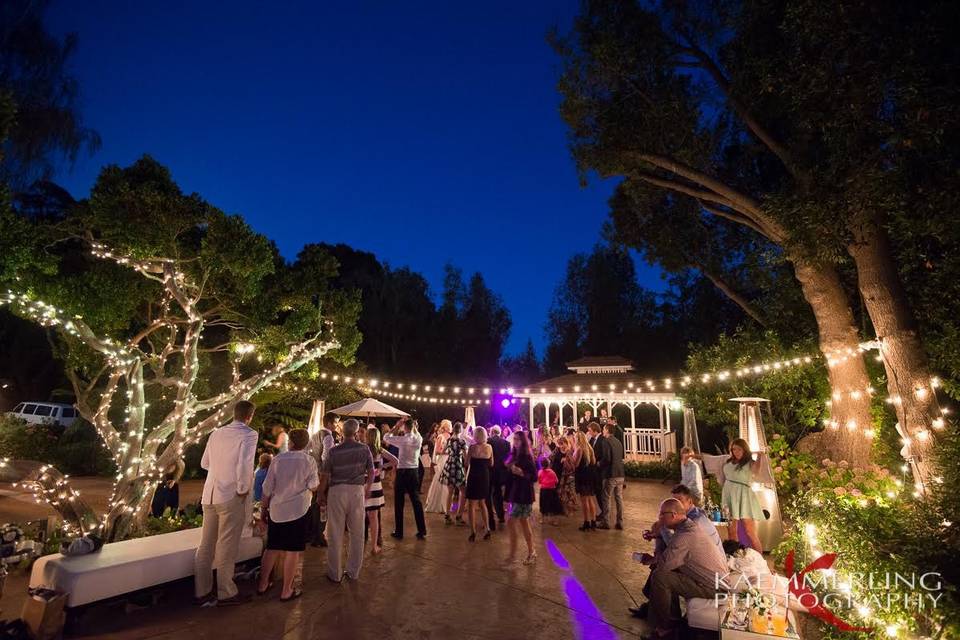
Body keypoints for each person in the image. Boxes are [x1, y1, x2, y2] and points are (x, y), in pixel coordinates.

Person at [194, 400, 258, 606]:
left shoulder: (216, 433)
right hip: (230, 495)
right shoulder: (249, 434)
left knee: (205, 545)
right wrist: (242, 489)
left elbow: (204, 463)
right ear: (250, 416)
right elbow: (245, 465)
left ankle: (201, 591)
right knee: (226, 546)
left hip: (209, 494)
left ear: (234, 413)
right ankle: (226, 592)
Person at [634, 498, 727, 638]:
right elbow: (671, 556)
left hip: (714, 587)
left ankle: (665, 628)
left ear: (673, 515)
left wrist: (652, 559)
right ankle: (669, 620)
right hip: (709, 581)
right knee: (663, 573)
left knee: (660, 576)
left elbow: (666, 563)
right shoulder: (685, 527)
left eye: (662, 515)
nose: (659, 518)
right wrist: (654, 557)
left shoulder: (686, 534)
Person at [256, 429, 318, 601]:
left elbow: (266, 489)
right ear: (305, 444)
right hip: (298, 510)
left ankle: (262, 584)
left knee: (272, 548)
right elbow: (314, 486)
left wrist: (263, 512)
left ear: (290, 442)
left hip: (277, 510)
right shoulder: (309, 461)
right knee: (292, 551)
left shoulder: (277, 460)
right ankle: (286, 590)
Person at [317, 419, 374, 582]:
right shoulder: (364, 449)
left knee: (335, 532)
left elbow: (325, 476)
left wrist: (320, 494)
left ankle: (334, 573)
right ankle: (353, 572)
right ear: (356, 432)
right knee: (357, 532)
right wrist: (368, 488)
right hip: (356, 491)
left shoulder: (334, 451)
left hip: (337, 491)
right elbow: (371, 472)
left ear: (342, 432)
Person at [384, 417, 427, 540]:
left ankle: (399, 531)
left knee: (399, 502)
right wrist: (411, 424)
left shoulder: (403, 439)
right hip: (414, 471)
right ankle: (422, 530)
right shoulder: (419, 438)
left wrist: (396, 426)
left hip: (403, 471)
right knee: (416, 501)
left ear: (405, 427)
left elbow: (386, 437)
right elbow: (415, 431)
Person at [722, 438, 765, 553]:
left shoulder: (749, 462)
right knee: (731, 530)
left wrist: (760, 455)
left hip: (744, 496)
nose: (736, 452)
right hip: (728, 495)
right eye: (734, 449)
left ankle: (761, 562)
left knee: (750, 531)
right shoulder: (728, 462)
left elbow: (757, 471)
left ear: (744, 450)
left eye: (739, 449)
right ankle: (735, 556)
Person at [504, 431, 537, 565]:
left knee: (513, 522)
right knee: (523, 523)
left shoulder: (527, 457)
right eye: (514, 439)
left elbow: (534, 477)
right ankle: (530, 552)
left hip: (524, 494)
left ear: (523, 441)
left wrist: (522, 473)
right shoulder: (514, 455)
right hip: (516, 493)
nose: (515, 442)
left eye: (518, 440)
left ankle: (517, 553)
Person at [364, 426, 397, 555]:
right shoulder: (380, 450)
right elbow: (395, 460)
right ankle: (374, 546)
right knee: (374, 517)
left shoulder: (363, 449)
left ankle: (361, 543)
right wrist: (382, 467)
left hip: (364, 483)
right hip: (376, 485)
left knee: (361, 516)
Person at [306, 412, 337, 548]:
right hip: (324, 474)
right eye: (335, 422)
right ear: (329, 423)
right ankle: (319, 536)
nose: (336, 425)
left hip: (315, 472)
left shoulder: (315, 434)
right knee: (323, 504)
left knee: (314, 504)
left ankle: (312, 533)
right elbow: (327, 457)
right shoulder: (328, 436)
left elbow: (308, 451)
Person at [464, 426, 493, 541]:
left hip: (474, 476)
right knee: (483, 503)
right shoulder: (489, 447)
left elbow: (466, 463)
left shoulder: (472, 447)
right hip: (484, 476)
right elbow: (491, 463)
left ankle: (473, 532)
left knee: (472, 505)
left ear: (475, 436)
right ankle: (487, 528)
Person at [598, 423, 626, 530]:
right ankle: (620, 521)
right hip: (620, 474)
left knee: (606, 497)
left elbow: (607, 458)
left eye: (604, 429)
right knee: (619, 498)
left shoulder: (606, 441)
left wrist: (599, 464)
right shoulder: (618, 441)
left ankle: (605, 521)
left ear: (607, 430)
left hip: (610, 474)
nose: (602, 431)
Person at [439, 422, 467, 525]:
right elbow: (466, 457)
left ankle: (447, 515)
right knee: (463, 491)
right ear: (461, 430)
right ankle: (459, 516)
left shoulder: (449, 440)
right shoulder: (462, 441)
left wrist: (451, 454)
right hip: (458, 465)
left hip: (449, 464)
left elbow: (442, 452)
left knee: (450, 491)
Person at [573, 429, 600, 531]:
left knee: (584, 501)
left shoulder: (580, 449)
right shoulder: (590, 448)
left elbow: (576, 464)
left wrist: (570, 458)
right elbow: (593, 461)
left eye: (575, 438)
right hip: (590, 477)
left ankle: (586, 522)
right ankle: (593, 522)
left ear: (578, 439)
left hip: (583, 477)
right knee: (590, 500)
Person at [424, 420, 452, 513]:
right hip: (443, 459)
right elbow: (438, 451)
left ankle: (446, 504)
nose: (450, 427)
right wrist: (449, 452)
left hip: (448, 460)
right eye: (449, 425)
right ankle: (439, 504)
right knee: (440, 480)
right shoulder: (440, 437)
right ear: (446, 427)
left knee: (447, 482)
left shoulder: (450, 436)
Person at [488, 425, 511, 530]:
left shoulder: (488, 441)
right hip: (502, 472)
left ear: (492, 432)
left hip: (491, 471)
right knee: (498, 494)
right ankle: (501, 516)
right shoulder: (506, 443)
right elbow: (509, 458)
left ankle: (490, 518)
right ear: (500, 432)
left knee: (489, 494)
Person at [589, 422, 610, 526]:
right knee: (597, 492)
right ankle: (602, 512)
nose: (589, 432)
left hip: (600, 470)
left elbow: (604, 455)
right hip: (594, 470)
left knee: (600, 492)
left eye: (590, 431)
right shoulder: (592, 440)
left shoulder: (602, 440)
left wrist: (598, 463)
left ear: (595, 430)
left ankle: (604, 513)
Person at [557, 435, 579, 515]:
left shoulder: (569, 452)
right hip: (563, 475)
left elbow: (573, 466)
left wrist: (565, 461)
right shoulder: (559, 451)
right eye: (560, 444)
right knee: (563, 492)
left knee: (570, 492)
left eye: (562, 444)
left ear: (566, 443)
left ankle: (571, 509)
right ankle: (566, 509)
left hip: (569, 475)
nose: (561, 446)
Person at [537, 457, 562, 526]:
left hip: (544, 490)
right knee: (554, 505)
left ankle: (542, 519)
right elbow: (556, 481)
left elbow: (539, 481)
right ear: (549, 464)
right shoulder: (552, 472)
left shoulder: (540, 472)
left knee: (543, 505)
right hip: (552, 490)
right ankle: (555, 521)